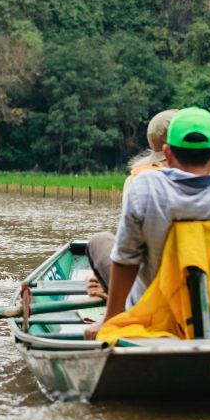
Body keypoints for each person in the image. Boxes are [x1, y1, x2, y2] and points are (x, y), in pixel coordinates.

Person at [84, 107, 210, 340]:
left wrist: (109, 321)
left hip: (151, 318)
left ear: (167, 153)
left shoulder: (146, 186)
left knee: (99, 241)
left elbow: (126, 260)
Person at [86, 109, 178, 300]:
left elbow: (127, 248)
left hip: (149, 289)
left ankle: (118, 297)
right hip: (195, 282)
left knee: (100, 240)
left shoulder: (137, 181)